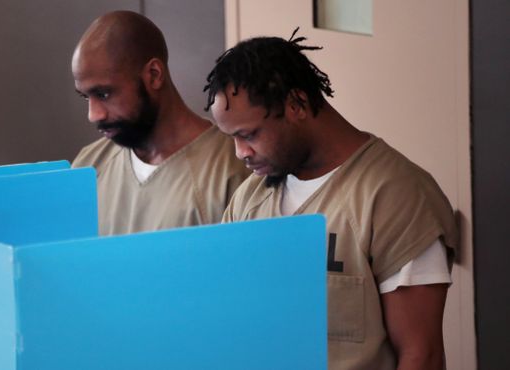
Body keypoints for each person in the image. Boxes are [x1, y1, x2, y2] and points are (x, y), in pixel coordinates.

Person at [205, 30, 458, 370]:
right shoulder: (250, 197)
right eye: (232, 138)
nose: (240, 153)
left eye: (248, 135)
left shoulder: (397, 196)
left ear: (296, 104)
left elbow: (421, 355)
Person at [71, 11, 250, 235]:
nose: (93, 114)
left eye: (104, 94)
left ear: (154, 75)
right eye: (86, 97)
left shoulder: (234, 169)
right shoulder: (87, 167)